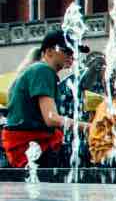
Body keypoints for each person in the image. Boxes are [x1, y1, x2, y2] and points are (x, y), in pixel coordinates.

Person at [3, 29, 90, 167]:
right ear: (49, 51)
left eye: (74, 52)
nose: (72, 56)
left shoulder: (37, 70)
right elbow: (51, 119)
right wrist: (90, 127)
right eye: (67, 50)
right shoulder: (43, 71)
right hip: (32, 146)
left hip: (30, 144)